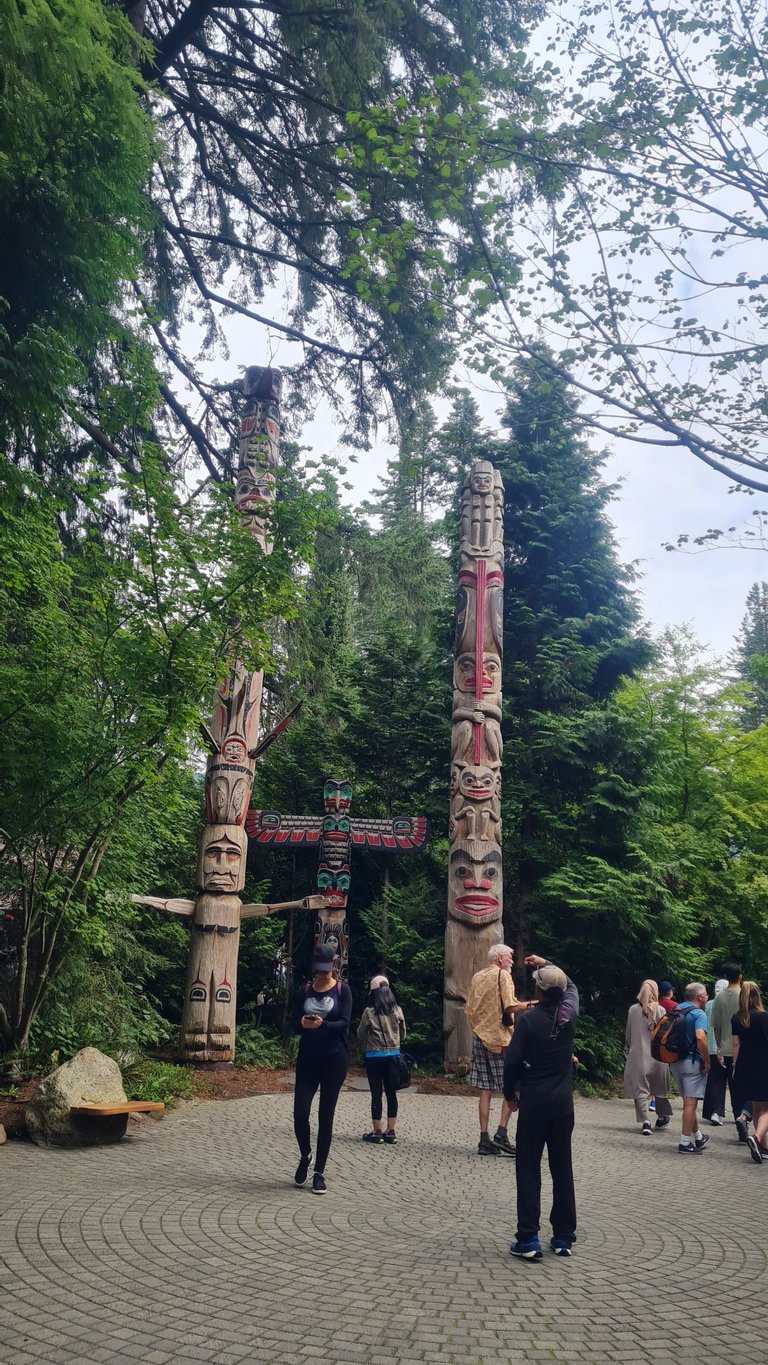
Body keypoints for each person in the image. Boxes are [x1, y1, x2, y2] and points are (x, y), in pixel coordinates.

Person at [504, 955, 579, 1261]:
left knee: (528, 1167)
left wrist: (510, 1094)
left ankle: (528, 1237)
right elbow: (571, 984)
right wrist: (548, 962)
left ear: (538, 991)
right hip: (562, 1104)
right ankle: (563, 1236)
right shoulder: (570, 1013)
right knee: (562, 1167)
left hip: (534, 1103)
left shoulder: (529, 1020)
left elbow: (511, 1061)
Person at [292, 943, 352, 1195]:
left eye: (325, 971)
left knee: (325, 1116)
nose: (322, 975)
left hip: (334, 1059)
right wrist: (302, 1023)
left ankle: (319, 1172)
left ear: (334, 966)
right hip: (308, 1057)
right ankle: (305, 1154)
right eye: (318, 971)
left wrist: (323, 1025)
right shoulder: (304, 991)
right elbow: (292, 1024)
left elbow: (345, 1023)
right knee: (300, 1113)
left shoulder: (342, 990)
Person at [465, 943, 532, 1156]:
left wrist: (479, 1028)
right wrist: (534, 1004)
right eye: (509, 957)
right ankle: (501, 1133)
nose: (512, 960)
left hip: (479, 1038)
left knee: (485, 1089)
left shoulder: (477, 976)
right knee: (513, 1086)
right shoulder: (503, 976)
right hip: (500, 1040)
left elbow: (470, 1009)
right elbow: (510, 1006)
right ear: (500, 958)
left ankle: (483, 1140)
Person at [357, 974, 406, 1145]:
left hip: (374, 1057)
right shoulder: (398, 1010)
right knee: (392, 1094)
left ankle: (377, 1131)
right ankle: (390, 1131)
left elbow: (360, 1034)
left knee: (376, 1094)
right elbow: (403, 1033)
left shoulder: (369, 1012)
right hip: (393, 1056)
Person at [623, 980, 674, 1135]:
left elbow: (629, 1034)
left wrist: (627, 1050)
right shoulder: (660, 1010)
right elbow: (666, 1035)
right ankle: (662, 1116)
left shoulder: (633, 1010)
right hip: (658, 1056)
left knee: (640, 1090)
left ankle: (645, 1121)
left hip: (638, 1055)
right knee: (660, 1088)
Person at [669, 982, 710, 1154]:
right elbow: (700, 1037)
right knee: (690, 1103)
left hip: (674, 1061)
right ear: (700, 997)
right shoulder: (698, 1013)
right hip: (692, 1062)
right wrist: (707, 1062)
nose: (707, 996)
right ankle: (685, 1142)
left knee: (688, 1101)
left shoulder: (677, 1009)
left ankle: (698, 1136)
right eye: (706, 994)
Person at [730, 980, 768, 1165]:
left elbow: (736, 1044)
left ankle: (763, 1146)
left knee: (757, 1106)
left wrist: (735, 1066)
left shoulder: (737, 1018)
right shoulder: (763, 1017)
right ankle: (757, 1136)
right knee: (766, 1107)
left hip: (745, 1063)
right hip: (763, 1063)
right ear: (757, 996)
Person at [711, 962, 748, 1139]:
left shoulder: (719, 998)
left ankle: (738, 1119)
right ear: (740, 977)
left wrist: (718, 1046)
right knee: (749, 1086)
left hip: (726, 1048)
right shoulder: (745, 995)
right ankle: (745, 1118)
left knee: (733, 1088)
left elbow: (716, 1025)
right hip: (746, 1047)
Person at [702, 978, 729, 1126]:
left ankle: (710, 1111)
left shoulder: (708, 1005)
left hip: (709, 1047)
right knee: (725, 1081)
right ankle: (718, 1112)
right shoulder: (726, 1004)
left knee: (713, 1081)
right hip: (724, 1048)